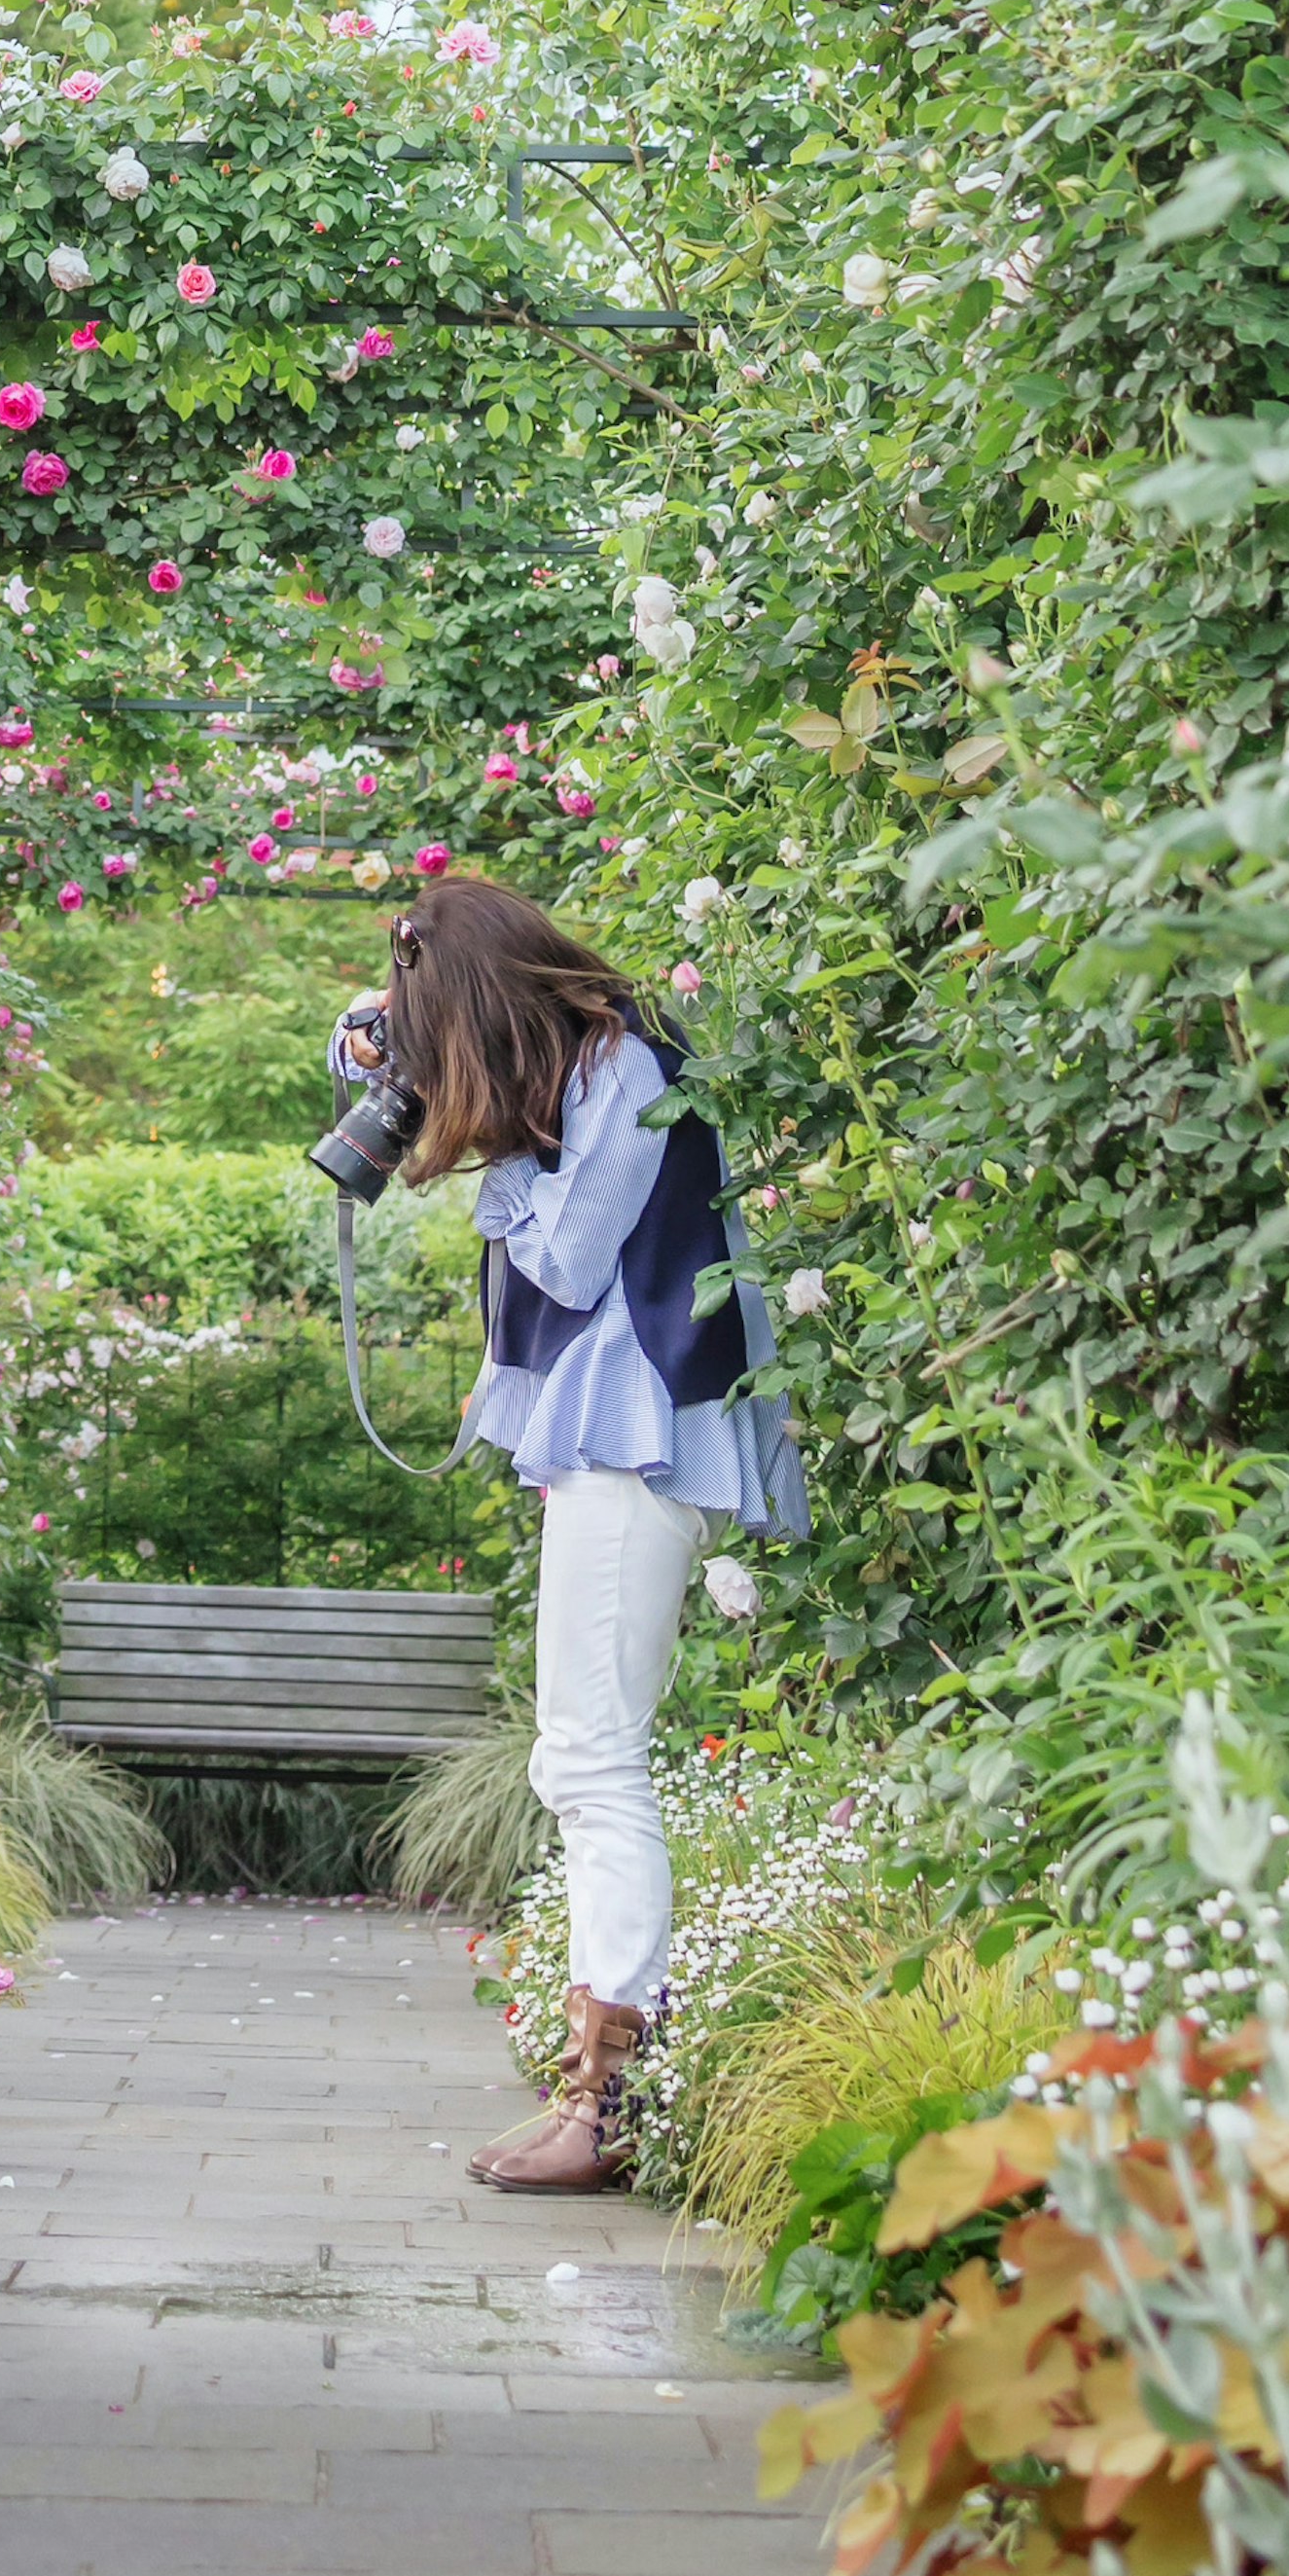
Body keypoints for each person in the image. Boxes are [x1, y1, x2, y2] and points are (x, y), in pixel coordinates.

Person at [333, 870, 803, 2194]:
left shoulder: (626, 1071)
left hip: (636, 1434)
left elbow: (571, 1260)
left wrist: (495, 1184)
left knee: (594, 1756)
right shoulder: (586, 1061)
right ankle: (600, 2081)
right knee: (575, 1754)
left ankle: (610, 2095)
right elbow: (371, 1041)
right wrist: (380, 1029)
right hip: (606, 1436)